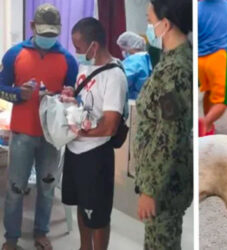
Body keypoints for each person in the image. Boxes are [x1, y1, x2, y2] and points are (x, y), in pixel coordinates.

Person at [0, 4, 78, 250]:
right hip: (22, 133)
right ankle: (11, 238)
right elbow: (0, 87)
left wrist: (67, 96)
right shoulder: (14, 54)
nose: (48, 39)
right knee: (15, 188)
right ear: (32, 27)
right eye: (43, 34)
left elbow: (73, 96)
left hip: (51, 137)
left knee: (46, 188)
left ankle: (41, 232)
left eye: (52, 35)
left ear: (59, 30)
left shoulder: (68, 60)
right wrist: (16, 94)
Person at [61, 17, 127, 250]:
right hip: (74, 150)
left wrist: (78, 133)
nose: (76, 51)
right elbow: (86, 101)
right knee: (81, 204)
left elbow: (110, 126)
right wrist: (71, 95)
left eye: (79, 47)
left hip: (95, 154)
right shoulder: (85, 66)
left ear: (94, 46)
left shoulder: (114, 76)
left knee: (97, 213)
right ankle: (84, 247)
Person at [133, 0, 192, 249]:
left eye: (149, 22)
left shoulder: (175, 71)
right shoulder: (169, 63)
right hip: (163, 180)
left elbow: (169, 135)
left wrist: (150, 190)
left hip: (165, 187)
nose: (148, 28)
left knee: (161, 243)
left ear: (165, 24)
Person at [198, 0, 227, 136]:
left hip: (199, 59)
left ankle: (209, 127)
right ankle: (205, 123)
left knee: (209, 91)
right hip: (218, 57)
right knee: (221, 101)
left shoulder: (197, 7)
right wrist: (226, 45)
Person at [117, 32, 152, 99]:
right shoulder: (144, 58)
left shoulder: (135, 60)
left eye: (123, 48)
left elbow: (121, 80)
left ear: (131, 46)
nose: (123, 51)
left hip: (133, 101)